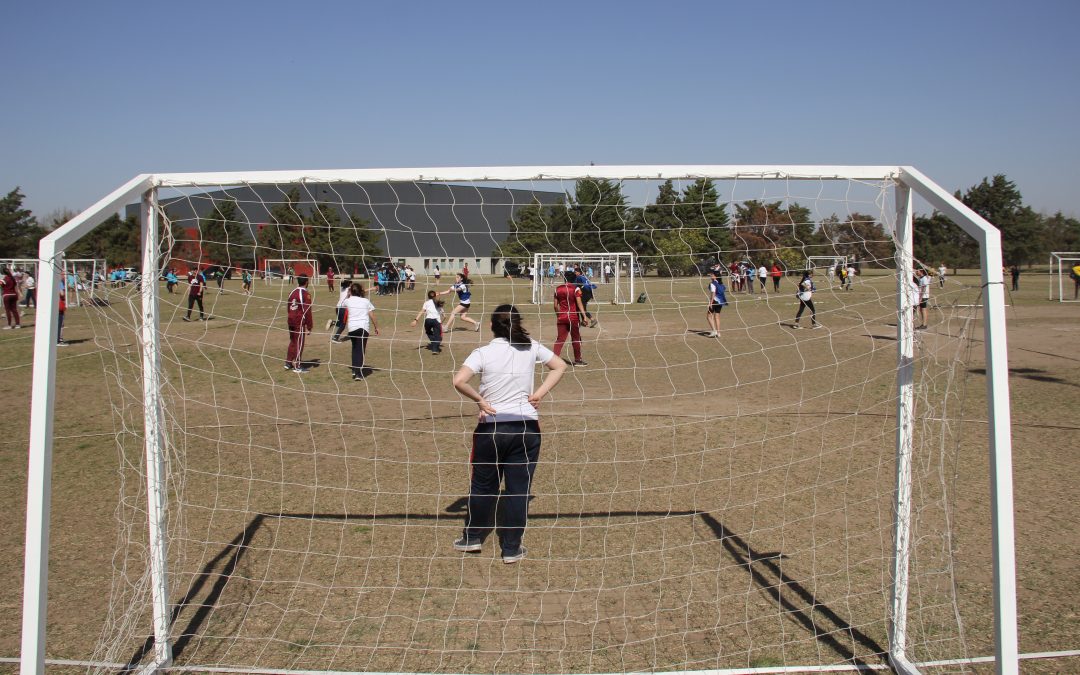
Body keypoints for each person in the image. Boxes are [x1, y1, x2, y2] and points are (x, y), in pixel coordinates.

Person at [451, 304, 567, 564]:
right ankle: (512, 548)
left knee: (482, 486)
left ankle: (472, 538)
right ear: (517, 323)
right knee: (518, 490)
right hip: (526, 428)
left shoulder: (483, 352)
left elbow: (458, 381)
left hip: (491, 427)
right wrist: (538, 394)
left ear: (492, 326)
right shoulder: (531, 347)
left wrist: (480, 401)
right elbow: (559, 366)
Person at [341, 282, 378, 379]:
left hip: (352, 329)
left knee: (355, 349)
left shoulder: (348, 301)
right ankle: (358, 373)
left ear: (351, 291)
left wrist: (348, 295)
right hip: (363, 328)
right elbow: (372, 315)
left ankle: (354, 370)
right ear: (361, 291)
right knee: (360, 350)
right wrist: (376, 327)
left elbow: (342, 303)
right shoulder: (366, 301)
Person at [552, 269, 587, 366]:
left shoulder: (557, 289)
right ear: (574, 279)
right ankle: (578, 360)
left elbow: (555, 306)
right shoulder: (576, 289)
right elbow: (579, 303)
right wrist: (584, 316)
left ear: (564, 278)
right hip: (573, 317)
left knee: (560, 339)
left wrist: (558, 315)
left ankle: (554, 360)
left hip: (562, 317)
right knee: (576, 338)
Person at [285, 274, 313, 373]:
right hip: (299, 320)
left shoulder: (292, 292)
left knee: (293, 341)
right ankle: (298, 366)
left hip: (291, 319)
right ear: (306, 282)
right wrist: (309, 326)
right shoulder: (305, 294)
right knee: (299, 342)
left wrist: (290, 316)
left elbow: (288, 306)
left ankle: (288, 362)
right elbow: (307, 311)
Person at [705, 269, 727, 337]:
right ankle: (718, 332)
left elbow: (713, 294)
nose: (711, 275)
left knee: (708, 316)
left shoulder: (712, 284)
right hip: (721, 301)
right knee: (717, 317)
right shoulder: (721, 284)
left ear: (715, 276)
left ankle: (714, 331)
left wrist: (710, 303)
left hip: (715, 301)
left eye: (712, 274)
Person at [331, 277, 351, 341]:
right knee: (343, 324)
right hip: (343, 308)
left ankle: (333, 322)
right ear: (349, 284)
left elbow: (341, 283)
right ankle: (335, 338)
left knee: (340, 323)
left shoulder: (342, 289)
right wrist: (372, 288)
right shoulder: (349, 289)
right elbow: (359, 291)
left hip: (337, 307)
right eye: (350, 283)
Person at [56, 281, 67, 345]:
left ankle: (55, 339)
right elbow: (62, 293)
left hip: (53, 306)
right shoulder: (59, 282)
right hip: (59, 306)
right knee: (60, 324)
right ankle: (59, 340)